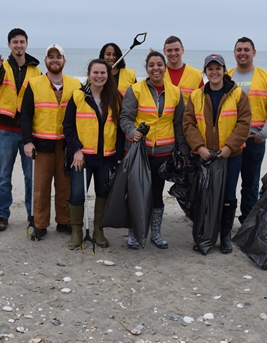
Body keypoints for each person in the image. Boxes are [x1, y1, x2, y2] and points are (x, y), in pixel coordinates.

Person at [120, 51, 188, 250]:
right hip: (138, 152)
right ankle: (134, 232)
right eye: (151, 65)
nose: (156, 68)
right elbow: (125, 117)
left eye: (159, 64)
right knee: (135, 193)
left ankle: (155, 233)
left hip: (163, 153)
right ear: (146, 68)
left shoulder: (175, 92)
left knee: (157, 194)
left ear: (165, 67)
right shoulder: (135, 90)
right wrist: (132, 131)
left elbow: (179, 124)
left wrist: (182, 151)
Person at [183, 54, 251, 254]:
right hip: (204, 156)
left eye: (218, 68)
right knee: (204, 195)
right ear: (205, 72)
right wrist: (199, 148)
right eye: (210, 69)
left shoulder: (238, 94)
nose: (214, 72)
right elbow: (188, 124)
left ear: (224, 70)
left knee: (228, 196)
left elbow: (244, 123)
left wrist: (229, 147)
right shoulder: (196, 96)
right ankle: (205, 234)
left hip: (230, 155)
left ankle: (225, 236)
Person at [20, 44, 81, 241]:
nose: (55, 60)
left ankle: (64, 221)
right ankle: (40, 224)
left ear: (64, 60)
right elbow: (26, 115)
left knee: (65, 185)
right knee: (41, 187)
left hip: (66, 145)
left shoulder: (75, 85)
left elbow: (82, 115)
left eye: (58, 56)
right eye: (50, 57)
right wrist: (27, 141)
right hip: (42, 145)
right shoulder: (34, 83)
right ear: (45, 61)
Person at [63, 59, 124, 249]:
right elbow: (68, 127)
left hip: (107, 157)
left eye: (103, 73)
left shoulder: (116, 98)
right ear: (89, 74)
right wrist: (77, 150)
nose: (99, 76)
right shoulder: (77, 96)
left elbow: (120, 131)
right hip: (83, 157)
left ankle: (98, 229)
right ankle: (76, 231)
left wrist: (119, 157)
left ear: (108, 75)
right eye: (95, 73)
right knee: (77, 193)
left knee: (103, 192)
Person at [0, 28, 42, 232]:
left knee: (31, 176)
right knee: (4, 175)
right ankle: (2, 214)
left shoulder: (36, 69)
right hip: (6, 130)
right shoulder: (1, 66)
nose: (18, 45)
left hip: (29, 132)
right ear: (9, 45)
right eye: (15, 42)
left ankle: (33, 213)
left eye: (22, 42)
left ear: (27, 43)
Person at [227, 37, 267, 223]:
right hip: (230, 143)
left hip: (253, 141)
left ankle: (247, 225)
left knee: (250, 186)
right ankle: (224, 224)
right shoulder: (227, 76)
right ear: (234, 53)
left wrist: (263, 134)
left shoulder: (266, 78)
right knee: (228, 185)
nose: (242, 53)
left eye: (246, 49)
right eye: (239, 49)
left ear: (254, 53)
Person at [162, 35, 204, 103]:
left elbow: (202, 101)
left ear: (183, 50)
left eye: (176, 50)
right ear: (164, 52)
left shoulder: (196, 75)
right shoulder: (158, 74)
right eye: (169, 50)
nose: (173, 53)